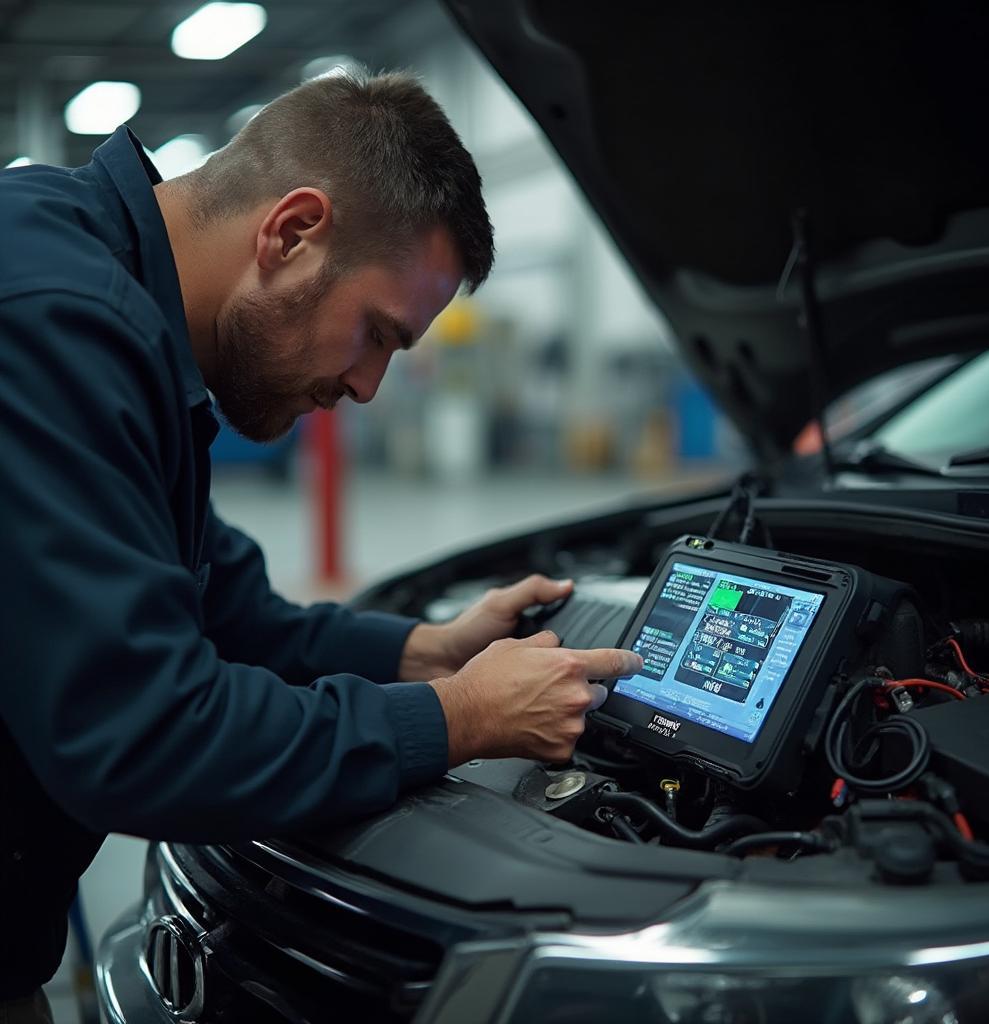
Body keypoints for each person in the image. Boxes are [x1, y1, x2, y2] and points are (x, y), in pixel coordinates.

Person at [0, 71, 642, 1018]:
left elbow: (224, 610)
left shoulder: (122, 306)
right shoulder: (53, 320)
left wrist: (425, 654)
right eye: (376, 334)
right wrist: (457, 719)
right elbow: (140, 737)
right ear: (292, 232)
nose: (371, 386)